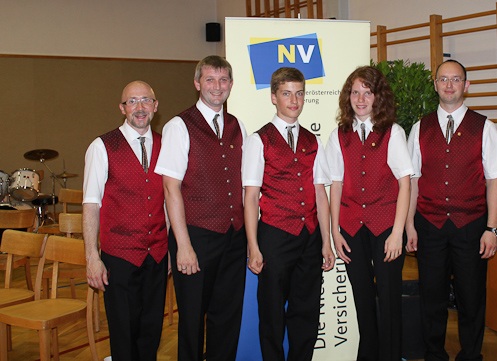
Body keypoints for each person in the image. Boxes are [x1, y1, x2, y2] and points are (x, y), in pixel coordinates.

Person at [406, 59, 497, 361]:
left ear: (466, 85)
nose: (449, 85)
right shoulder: (420, 128)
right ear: (435, 84)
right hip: (429, 225)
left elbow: (494, 181)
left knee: (471, 297)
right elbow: (412, 181)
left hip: (472, 226)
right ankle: (434, 354)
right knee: (431, 296)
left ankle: (471, 355)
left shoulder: (485, 127)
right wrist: (410, 225)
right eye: (443, 79)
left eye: (455, 79)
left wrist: (492, 228)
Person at [154, 56, 247, 361]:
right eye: (210, 79)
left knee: (228, 317)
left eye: (223, 80)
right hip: (195, 236)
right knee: (193, 320)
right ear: (197, 84)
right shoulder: (178, 126)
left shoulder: (237, 126)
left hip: (234, 236)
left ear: (231, 84)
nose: (217, 87)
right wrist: (182, 246)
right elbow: (171, 189)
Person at [243, 67, 335, 361]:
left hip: (309, 237)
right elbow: (250, 197)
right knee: (271, 314)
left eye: (299, 94)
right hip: (274, 235)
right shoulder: (259, 140)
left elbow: (320, 192)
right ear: (274, 97)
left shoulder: (312, 140)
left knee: (306, 312)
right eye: (286, 94)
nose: (294, 101)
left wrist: (326, 242)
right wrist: (254, 246)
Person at [326, 66, 413, 361]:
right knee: (362, 298)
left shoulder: (393, 132)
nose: (360, 99)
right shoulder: (339, 135)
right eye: (355, 92)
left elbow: (404, 184)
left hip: (387, 225)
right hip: (351, 226)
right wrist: (335, 231)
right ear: (347, 96)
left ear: (378, 97)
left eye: (367, 92)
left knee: (389, 299)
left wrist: (398, 233)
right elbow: (336, 184)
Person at [83, 80, 168, 361]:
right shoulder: (102, 147)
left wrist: (172, 247)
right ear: (122, 108)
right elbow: (91, 204)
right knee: (123, 335)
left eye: (146, 100)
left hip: (157, 254)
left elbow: (170, 201)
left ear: (155, 106)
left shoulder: (167, 145)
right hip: (119, 257)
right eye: (132, 101)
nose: (139, 107)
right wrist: (92, 257)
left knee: (151, 332)